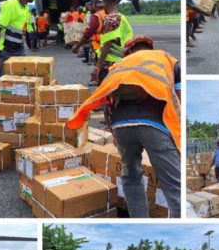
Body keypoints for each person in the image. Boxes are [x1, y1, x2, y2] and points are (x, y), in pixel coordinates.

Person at [67, 35, 181, 217]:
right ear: (149, 48)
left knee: (131, 177)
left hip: (121, 125)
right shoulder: (164, 58)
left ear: (128, 52)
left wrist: (114, 132)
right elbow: (178, 97)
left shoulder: (119, 66)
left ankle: (139, 219)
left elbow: (108, 104)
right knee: (174, 183)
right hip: (154, 124)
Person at [92, 0, 133, 85]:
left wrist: (97, 67)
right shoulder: (122, 18)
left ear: (106, 2)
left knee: (107, 92)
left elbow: (107, 45)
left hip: (110, 64)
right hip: (123, 62)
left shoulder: (110, 20)